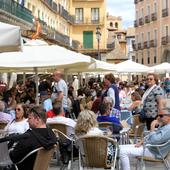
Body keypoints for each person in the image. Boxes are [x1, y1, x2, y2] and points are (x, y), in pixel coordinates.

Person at [119, 100, 170, 170]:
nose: (158, 118)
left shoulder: (168, 129)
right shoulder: (164, 125)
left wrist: (152, 126)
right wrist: (142, 141)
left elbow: (154, 140)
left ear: (168, 117)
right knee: (119, 147)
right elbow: (152, 137)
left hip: (154, 152)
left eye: (161, 116)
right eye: (158, 115)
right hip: (149, 148)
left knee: (122, 152)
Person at [8, 106, 57, 170]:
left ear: (37, 119)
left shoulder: (28, 137)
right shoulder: (52, 135)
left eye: (29, 118)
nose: (27, 121)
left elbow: (13, 158)